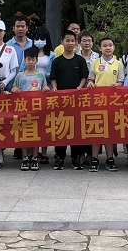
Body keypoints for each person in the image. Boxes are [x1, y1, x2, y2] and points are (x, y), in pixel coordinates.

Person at [50, 30, 89, 169]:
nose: (70, 43)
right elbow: (53, 78)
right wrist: (55, 89)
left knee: (76, 128)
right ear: (62, 42)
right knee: (61, 127)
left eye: (73, 41)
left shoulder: (80, 60)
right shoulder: (57, 61)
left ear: (76, 43)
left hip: (77, 100)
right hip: (60, 101)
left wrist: (80, 87)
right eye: (67, 40)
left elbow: (84, 77)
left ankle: (76, 157)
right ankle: (59, 156)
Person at [86, 36, 123, 172]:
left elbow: (121, 81)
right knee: (96, 131)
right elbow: (91, 79)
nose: (108, 48)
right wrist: (90, 83)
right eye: (105, 45)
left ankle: (110, 159)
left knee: (109, 132)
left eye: (110, 45)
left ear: (114, 47)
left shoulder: (118, 63)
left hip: (112, 102)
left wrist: (117, 85)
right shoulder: (95, 63)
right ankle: (94, 159)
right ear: (100, 48)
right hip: (97, 102)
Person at [12, 49, 50, 171]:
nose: (31, 62)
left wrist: (45, 89)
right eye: (28, 59)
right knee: (23, 133)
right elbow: (14, 88)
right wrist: (14, 90)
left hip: (36, 110)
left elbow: (45, 87)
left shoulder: (41, 75)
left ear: (37, 60)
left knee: (36, 134)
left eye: (33, 59)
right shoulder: (20, 75)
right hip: (23, 109)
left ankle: (34, 157)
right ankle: (25, 157)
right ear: (24, 60)